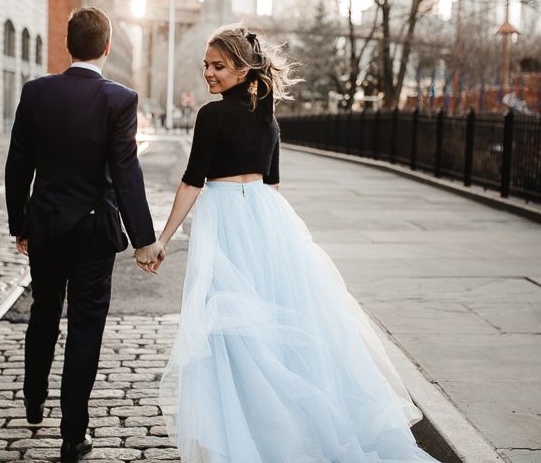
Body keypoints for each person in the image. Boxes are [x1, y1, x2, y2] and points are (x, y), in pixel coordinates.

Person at [145, 25, 439, 462]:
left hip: (226, 220)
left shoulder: (212, 116)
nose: (208, 73)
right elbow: (273, 185)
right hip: (267, 220)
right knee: (274, 333)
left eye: (218, 66)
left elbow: (192, 182)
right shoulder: (269, 118)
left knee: (232, 333)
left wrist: (161, 240)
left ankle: (245, 435)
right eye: (206, 65)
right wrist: (278, 243)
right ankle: (282, 432)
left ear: (244, 70)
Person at [5, 7, 165, 462]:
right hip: (94, 232)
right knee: (85, 328)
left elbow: (18, 166)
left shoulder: (36, 93)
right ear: (108, 47)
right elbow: (125, 170)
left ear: (67, 45)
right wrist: (143, 239)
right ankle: (73, 434)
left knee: (44, 311)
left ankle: (33, 398)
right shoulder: (120, 99)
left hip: (48, 227)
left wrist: (20, 224)